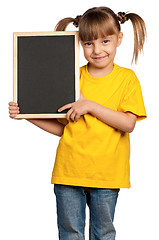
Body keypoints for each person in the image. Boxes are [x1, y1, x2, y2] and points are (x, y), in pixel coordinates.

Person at [9, 6, 147, 240]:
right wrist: (28, 114)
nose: (97, 50)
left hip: (106, 174)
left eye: (105, 41)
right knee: (69, 234)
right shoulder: (73, 77)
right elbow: (64, 129)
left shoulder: (127, 79)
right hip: (69, 171)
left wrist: (90, 105)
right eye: (88, 43)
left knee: (103, 233)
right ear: (79, 43)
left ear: (119, 39)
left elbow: (128, 124)